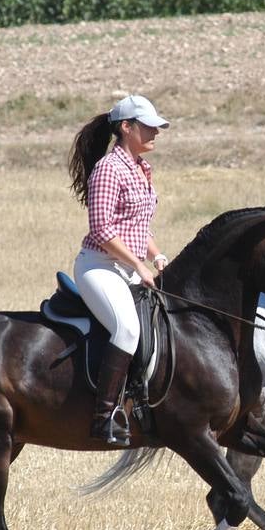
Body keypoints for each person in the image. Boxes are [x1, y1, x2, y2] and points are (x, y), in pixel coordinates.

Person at [67, 94, 171, 447]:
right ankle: (104, 417)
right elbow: (102, 230)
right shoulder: (108, 169)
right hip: (100, 267)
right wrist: (138, 265)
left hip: (130, 266)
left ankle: (142, 402)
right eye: (149, 126)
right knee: (127, 329)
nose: (156, 132)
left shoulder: (141, 167)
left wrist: (156, 256)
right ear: (126, 128)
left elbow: (139, 227)